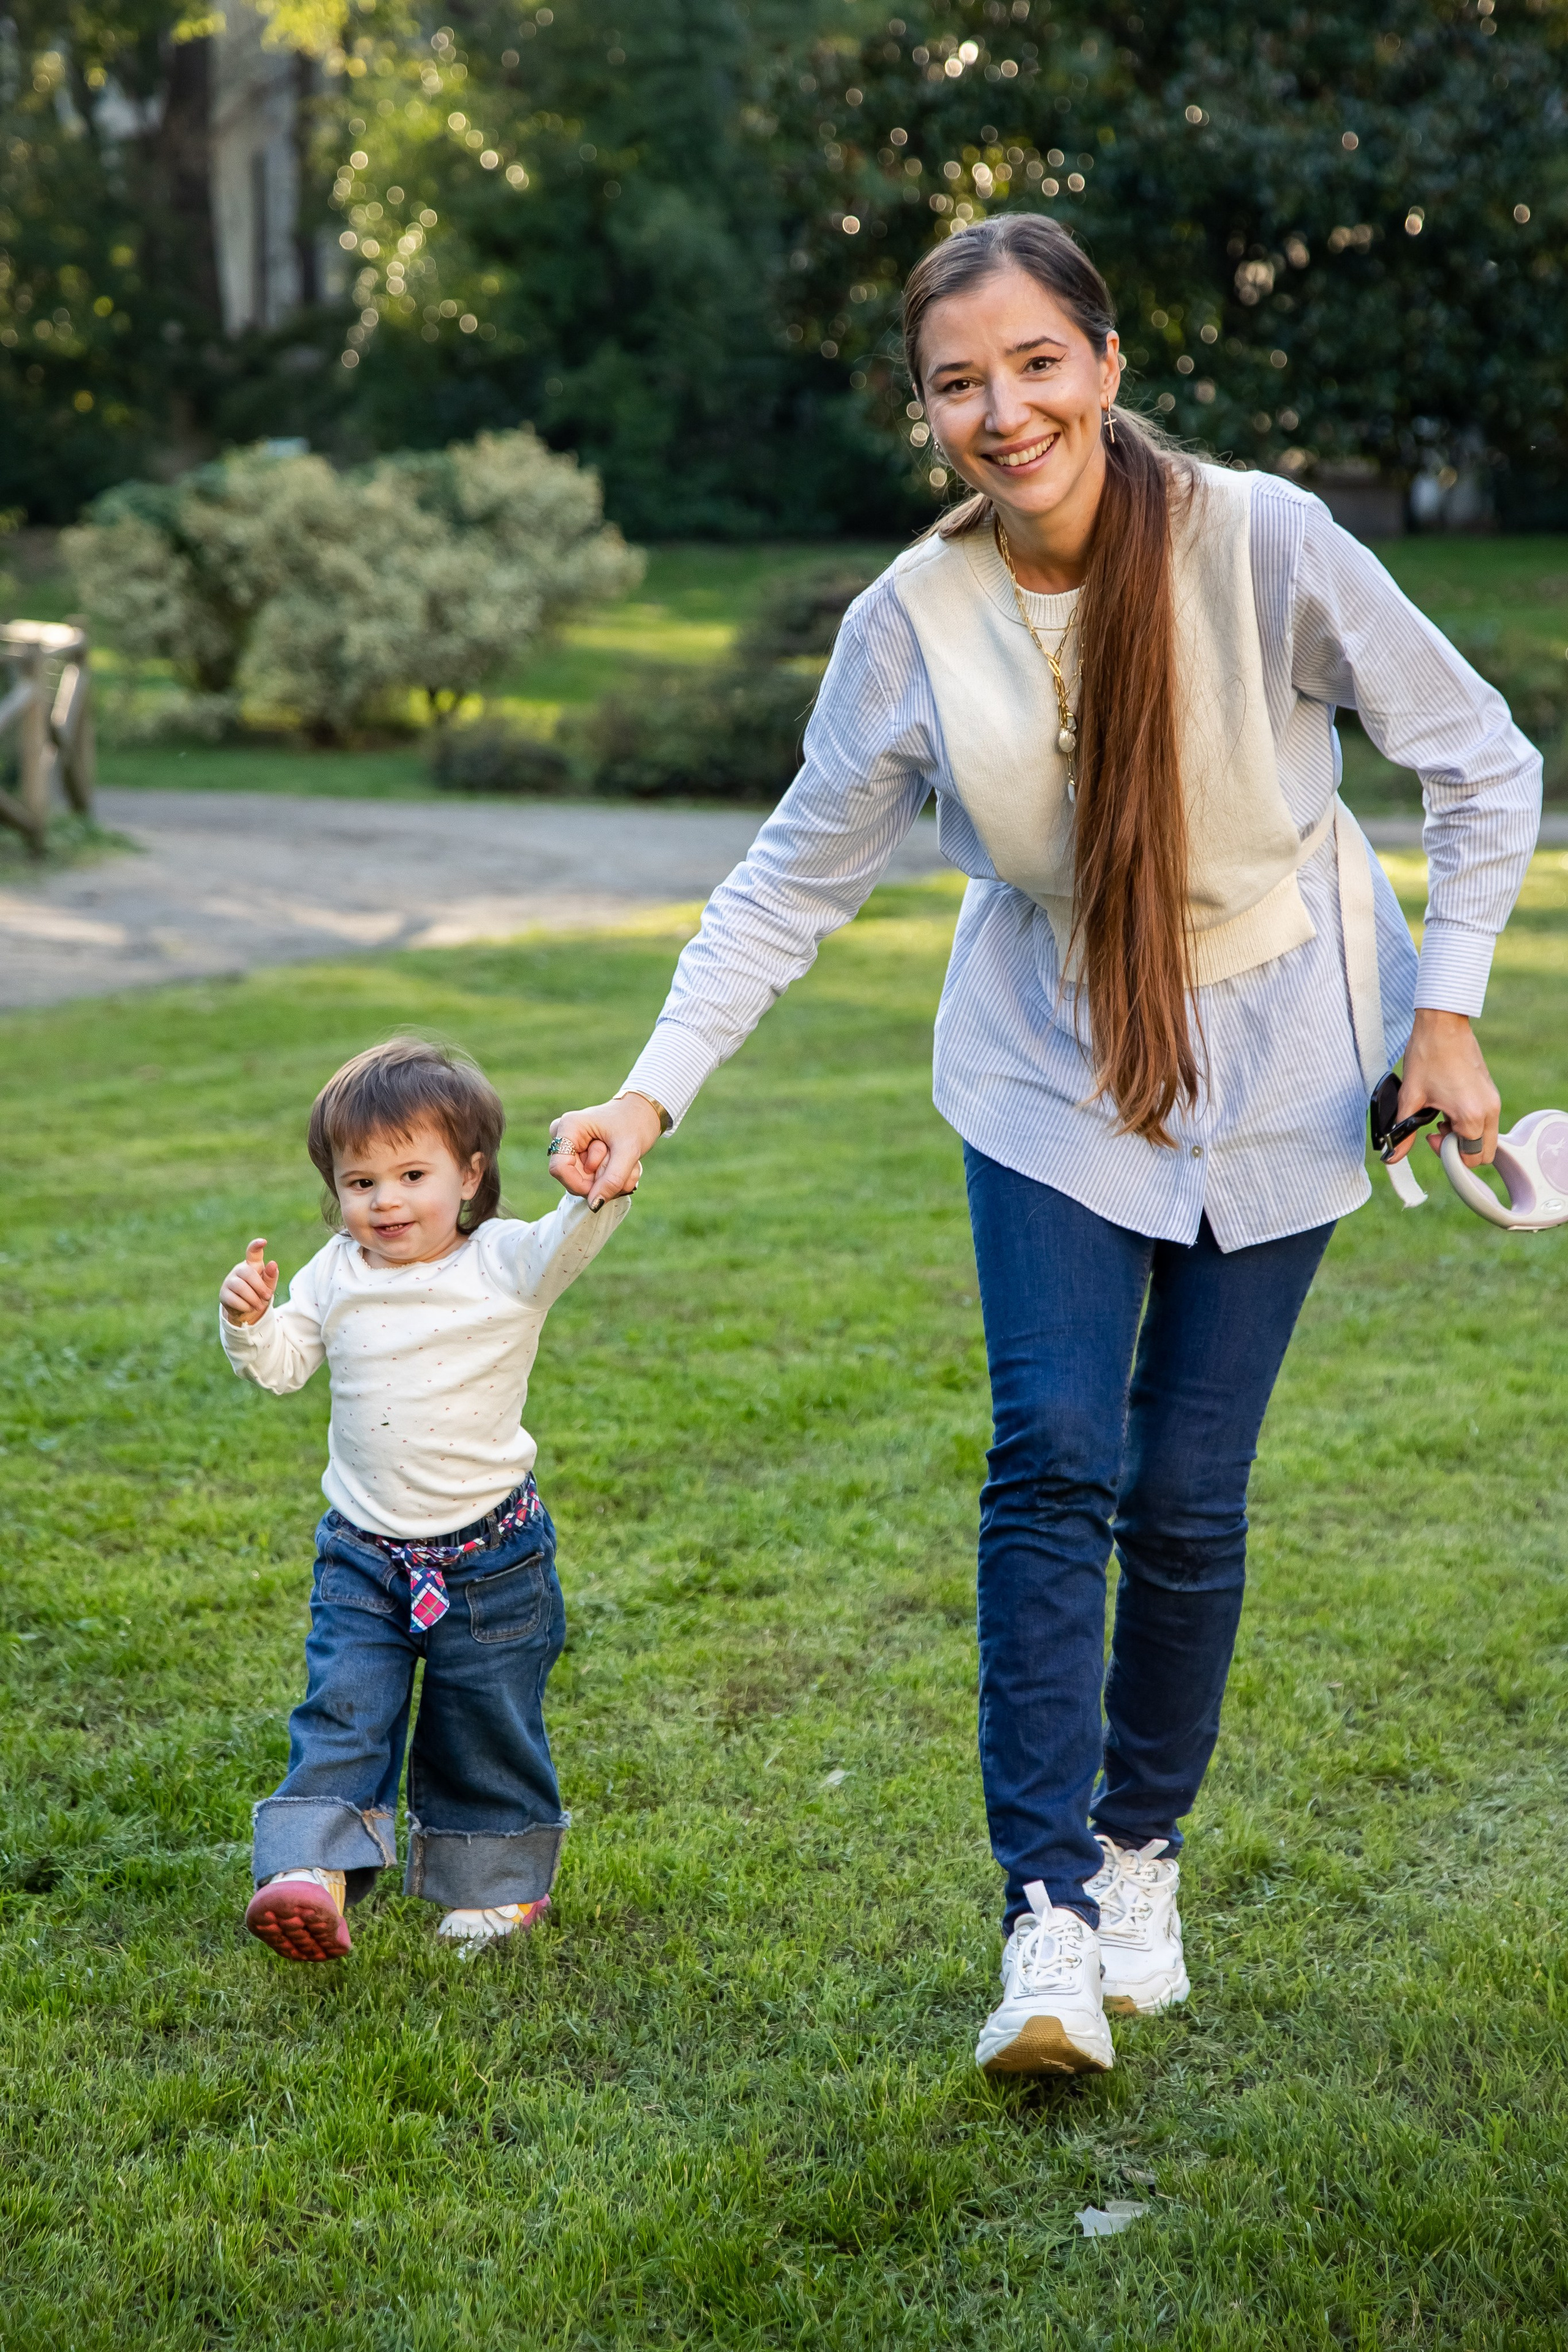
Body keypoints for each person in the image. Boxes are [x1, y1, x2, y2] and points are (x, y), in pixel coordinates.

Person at [545, 216, 1539, 2076]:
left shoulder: (1263, 542)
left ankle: (1138, 1853)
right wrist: (645, 1090)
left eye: (1033, 364)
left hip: (1291, 1039)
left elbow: (1480, 760)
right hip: (1050, 1057)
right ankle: (1046, 1919)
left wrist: (1450, 1011)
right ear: (924, 411)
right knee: (1052, 1458)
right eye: (956, 384)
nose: (1002, 412)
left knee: (1188, 1492)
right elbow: (787, 883)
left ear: (1103, 361)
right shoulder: (909, 626)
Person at [217, 1036, 633, 1962]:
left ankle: (498, 1885)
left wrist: (600, 1186)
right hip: (362, 1556)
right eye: (360, 1183)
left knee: (480, 1724)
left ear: (470, 1174)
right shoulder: (336, 1273)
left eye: (412, 1175)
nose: (386, 1201)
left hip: (491, 1560)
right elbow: (282, 1366)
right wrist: (247, 1322)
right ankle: (313, 1869)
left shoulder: (507, 1262)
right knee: (343, 1708)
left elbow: (573, 1236)